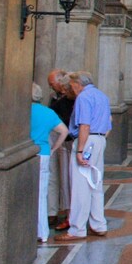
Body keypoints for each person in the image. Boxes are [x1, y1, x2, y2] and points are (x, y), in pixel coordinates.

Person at [56, 72, 112, 242]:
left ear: (76, 84)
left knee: (80, 185)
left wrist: (81, 150)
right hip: (100, 139)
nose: (70, 89)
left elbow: (84, 125)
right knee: (95, 182)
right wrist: (99, 141)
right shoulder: (101, 95)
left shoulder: (83, 97)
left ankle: (77, 229)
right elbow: (109, 121)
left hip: (87, 141)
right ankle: (98, 224)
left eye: (71, 85)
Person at [31, 83, 68, 243]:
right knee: (41, 193)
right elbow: (64, 131)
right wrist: (53, 148)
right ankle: (43, 232)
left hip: (27, 153)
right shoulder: (48, 112)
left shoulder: (21, 112)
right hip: (44, 153)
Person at [47, 69, 73, 230]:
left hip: (67, 141)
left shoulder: (73, 100)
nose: (51, 87)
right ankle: (53, 212)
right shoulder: (55, 98)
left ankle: (69, 213)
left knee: (66, 178)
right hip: (55, 139)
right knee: (53, 176)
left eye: (53, 84)